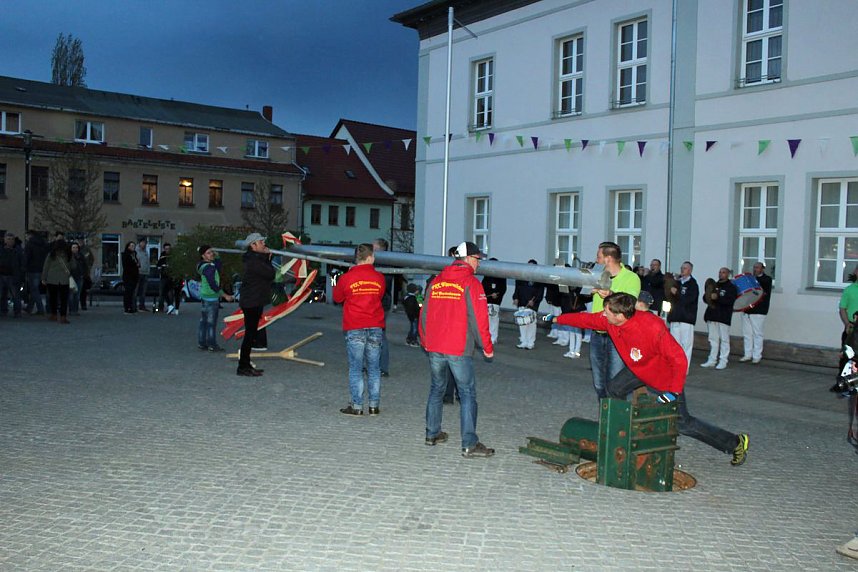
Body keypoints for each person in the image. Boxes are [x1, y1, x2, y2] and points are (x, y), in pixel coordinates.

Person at [553, 292, 750, 466]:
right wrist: (554, 318)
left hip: (665, 378)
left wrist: (673, 392)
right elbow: (584, 319)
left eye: (607, 312)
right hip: (638, 370)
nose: (603, 315)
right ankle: (625, 433)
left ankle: (735, 443)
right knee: (614, 389)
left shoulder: (651, 327)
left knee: (683, 424)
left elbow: (679, 359)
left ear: (620, 316)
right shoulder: (608, 320)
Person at [420, 241, 495, 458]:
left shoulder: (436, 281)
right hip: (458, 347)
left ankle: (432, 433)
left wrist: (425, 340)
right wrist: (486, 347)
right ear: (469, 259)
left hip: (435, 346)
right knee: (467, 393)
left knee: (436, 389)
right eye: (478, 259)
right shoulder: (472, 284)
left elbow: (424, 314)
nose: (479, 263)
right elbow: (479, 320)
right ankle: (469, 443)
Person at [333, 243, 386, 415]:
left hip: (355, 325)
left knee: (355, 368)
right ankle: (373, 405)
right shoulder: (379, 277)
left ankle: (356, 406)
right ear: (370, 257)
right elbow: (380, 296)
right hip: (375, 324)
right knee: (374, 368)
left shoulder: (347, 278)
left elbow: (337, 297)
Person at [588, 241, 641, 399]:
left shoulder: (631, 278)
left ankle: (618, 420)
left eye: (599, 257)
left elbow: (629, 303)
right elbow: (584, 294)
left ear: (608, 258)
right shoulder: (597, 274)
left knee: (616, 384)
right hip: (597, 334)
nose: (596, 260)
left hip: (618, 336)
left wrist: (610, 293)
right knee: (598, 383)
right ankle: (605, 418)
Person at [237, 233, 275, 377]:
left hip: (254, 300)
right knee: (249, 335)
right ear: (253, 245)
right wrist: (269, 258)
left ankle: (245, 364)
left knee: (251, 334)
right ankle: (243, 366)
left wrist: (266, 258)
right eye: (261, 242)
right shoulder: (254, 260)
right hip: (252, 301)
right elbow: (270, 273)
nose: (264, 244)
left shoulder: (254, 258)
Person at [197, 244, 234, 352]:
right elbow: (213, 284)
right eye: (209, 253)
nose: (212, 254)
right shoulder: (209, 268)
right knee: (211, 323)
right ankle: (212, 344)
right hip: (211, 298)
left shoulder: (202, 265)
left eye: (211, 252)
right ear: (203, 256)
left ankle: (202, 342)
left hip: (205, 296)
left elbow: (218, 265)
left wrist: (216, 256)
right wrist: (225, 295)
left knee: (203, 321)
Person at [701, 267, 738, 370]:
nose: (721, 274)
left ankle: (723, 360)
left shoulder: (731, 287)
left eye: (724, 272)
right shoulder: (714, 285)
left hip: (723, 317)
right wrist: (709, 295)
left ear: (728, 274)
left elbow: (730, 301)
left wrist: (718, 298)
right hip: (712, 316)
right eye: (720, 272)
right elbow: (705, 298)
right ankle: (712, 360)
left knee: (724, 339)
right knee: (713, 339)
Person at [667, 261, 699, 371]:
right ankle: (675, 366)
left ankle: (685, 368)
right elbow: (670, 299)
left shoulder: (693, 284)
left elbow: (689, 300)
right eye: (682, 268)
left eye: (685, 268)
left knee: (686, 345)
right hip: (675, 317)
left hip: (686, 318)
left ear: (690, 270)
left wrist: (677, 293)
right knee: (675, 345)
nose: (682, 270)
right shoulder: (677, 283)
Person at [740, 261, 772, 364]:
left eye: (757, 268)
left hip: (759, 310)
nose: (755, 269)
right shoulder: (751, 279)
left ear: (762, 269)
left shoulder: (766, 279)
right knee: (747, 333)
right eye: (754, 267)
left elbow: (760, 290)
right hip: (747, 309)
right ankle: (747, 354)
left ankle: (757, 355)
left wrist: (750, 280)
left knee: (757, 333)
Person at [41, 239, 76, 324]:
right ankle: (63, 316)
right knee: (64, 299)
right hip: (64, 280)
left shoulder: (51, 255)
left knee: (53, 298)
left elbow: (46, 267)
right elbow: (74, 266)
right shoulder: (69, 255)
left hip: (52, 279)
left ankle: (54, 314)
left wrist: (43, 278)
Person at [512, 259, 544, 349]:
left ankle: (530, 343)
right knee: (522, 323)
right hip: (522, 303)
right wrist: (515, 298)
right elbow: (517, 289)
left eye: (532, 266)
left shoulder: (539, 279)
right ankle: (523, 341)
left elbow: (540, 293)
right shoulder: (521, 277)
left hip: (532, 305)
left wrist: (534, 301)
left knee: (531, 324)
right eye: (528, 266)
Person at [372, 237, 392, 377]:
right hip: (376, 303)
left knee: (380, 337)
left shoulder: (387, 264)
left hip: (381, 304)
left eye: (373, 247)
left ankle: (382, 367)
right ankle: (374, 366)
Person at [481, 257, 506, 344]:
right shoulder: (487, 276)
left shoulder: (501, 276)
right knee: (486, 320)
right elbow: (483, 287)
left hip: (496, 302)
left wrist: (497, 294)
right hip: (486, 301)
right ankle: (486, 337)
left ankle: (494, 337)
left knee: (494, 319)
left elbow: (503, 288)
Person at [23, 230, 48, 315]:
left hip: (32, 269)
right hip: (42, 269)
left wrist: (24, 268)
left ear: (30, 235)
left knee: (34, 290)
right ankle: (29, 307)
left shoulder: (29, 244)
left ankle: (40, 309)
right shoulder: (43, 243)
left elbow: (26, 257)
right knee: (35, 289)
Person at [0, 233, 25, 318]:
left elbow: (22, 263)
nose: (10, 241)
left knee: (16, 295)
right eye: (8, 239)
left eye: (12, 239)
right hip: (2, 275)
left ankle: (17, 312)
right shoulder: (1, 250)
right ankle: (3, 310)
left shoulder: (18, 251)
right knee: (2, 294)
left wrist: (21, 274)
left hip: (13, 276)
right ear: (5, 240)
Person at [68, 241, 89, 316]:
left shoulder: (81, 256)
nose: (75, 249)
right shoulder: (68, 256)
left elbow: (85, 266)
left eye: (76, 247)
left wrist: (84, 274)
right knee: (70, 295)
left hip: (79, 277)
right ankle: (71, 310)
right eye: (73, 247)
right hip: (71, 277)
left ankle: (75, 310)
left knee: (77, 294)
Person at [156, 243, 178, 315]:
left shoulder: (173, 256)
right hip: (163, 276)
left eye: (168, 248)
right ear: (164, 249)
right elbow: (158, 265)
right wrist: (162, 267)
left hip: (171, 277)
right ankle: (160, 308)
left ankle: (170, 307)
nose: (167, 250)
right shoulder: (162, 256)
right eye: (166, 249)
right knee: (161, 292)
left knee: (170, 292)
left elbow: (175, 265)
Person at [121, 241, 140, 314]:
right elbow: (126, 266)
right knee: (128, 292)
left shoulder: (134, 254)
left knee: (132, 292)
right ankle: (127, 307)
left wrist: (137, 264)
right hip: (128, 276)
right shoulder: (126, 255)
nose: (133, 247)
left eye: (134, 246)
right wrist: (135, 266)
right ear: (128, 246)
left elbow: (137, 263)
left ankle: (131, 307)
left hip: (134, 276)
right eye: (131, 246)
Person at [402, 282, 421, 348]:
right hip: (414, 315)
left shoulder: (407, 297)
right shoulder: (412, 299)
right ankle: (413, 340)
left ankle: (409, 339)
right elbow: (416, 307)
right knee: (414, 328)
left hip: (411, 315)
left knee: (412, 327)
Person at [134, 238, 150, 311]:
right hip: (138, 273)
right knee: (135, 290)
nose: (144, 244)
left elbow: (147, 262)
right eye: (143, 242)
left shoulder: (146, 252)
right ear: (139, 243)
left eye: (145, 243)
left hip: (145, 273)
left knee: (143, 291)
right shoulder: (136, 251)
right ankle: (133, 306)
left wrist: (148, 271)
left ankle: (142, 305)